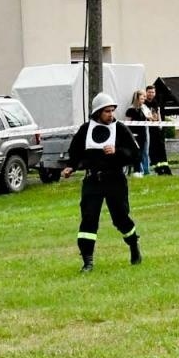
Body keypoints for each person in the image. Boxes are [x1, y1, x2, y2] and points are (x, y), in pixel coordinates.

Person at [65, 92, 142, 271]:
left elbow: (135, 154)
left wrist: (117, 151)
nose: (111, 115)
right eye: (107, 111)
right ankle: (88, 262)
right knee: (88, 219)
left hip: (115, 180)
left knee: (120, 218)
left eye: (112, 111)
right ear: (98, 112)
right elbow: (75, 151)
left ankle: (133, 245)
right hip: (93, 181)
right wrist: (71, 167)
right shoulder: (86, 129)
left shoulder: (120, 129)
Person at [143, 84, 172, 175]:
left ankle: (166, 168)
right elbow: (147, 116)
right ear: (146, 93)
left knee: (161, 148)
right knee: (153, 149)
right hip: (149, 129)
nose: (151, 94)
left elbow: (158, 112)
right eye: (149, 92)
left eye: (153, 92)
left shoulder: (155, 102)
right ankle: (158, 169)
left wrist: (160, 123)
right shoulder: (144, 104)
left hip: (157, 128)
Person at [125, 90, 152, 176]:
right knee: (138, 152)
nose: (143, 100)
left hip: (143, 132)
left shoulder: (143, 108)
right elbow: (127, 123)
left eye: (144, 98)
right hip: (135, 134)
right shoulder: (130, 110)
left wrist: (150, 116)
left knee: (145, 151)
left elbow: (150, 117)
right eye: (141, 98)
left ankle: (146, 170)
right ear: (136, 99)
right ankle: (139, 170)